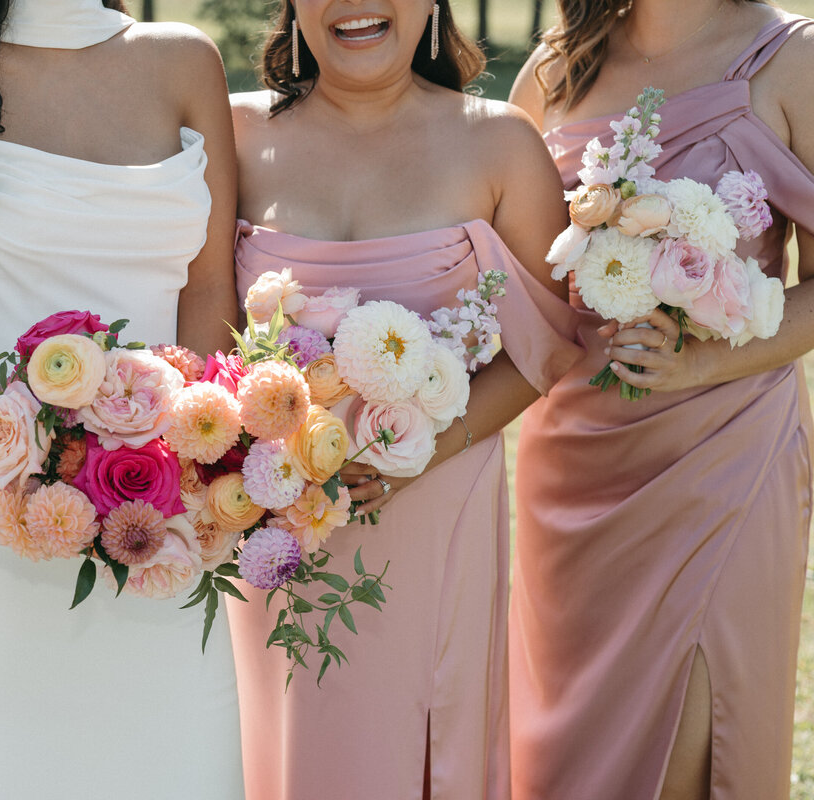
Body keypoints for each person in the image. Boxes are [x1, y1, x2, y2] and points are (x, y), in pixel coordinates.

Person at [0, 0, 244, 796]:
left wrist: (190, 458)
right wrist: (51, 452)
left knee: (171, 760)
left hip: (156, 518)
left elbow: (207, 289)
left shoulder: (185, 61)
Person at [223, 2, 583, 798]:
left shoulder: (498, 142)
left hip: (433, 511)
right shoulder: (236, 134)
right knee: (274, 743)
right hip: (272, 522)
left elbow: (547, 344)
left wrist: (422, 453)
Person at [508, 2, 814, 798]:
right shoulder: (558, 62)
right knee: (562, 758)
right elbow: (500, 259)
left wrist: (701, 362)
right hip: (570, 467)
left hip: (721, 458)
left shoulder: (793, 59)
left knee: (688, 754)